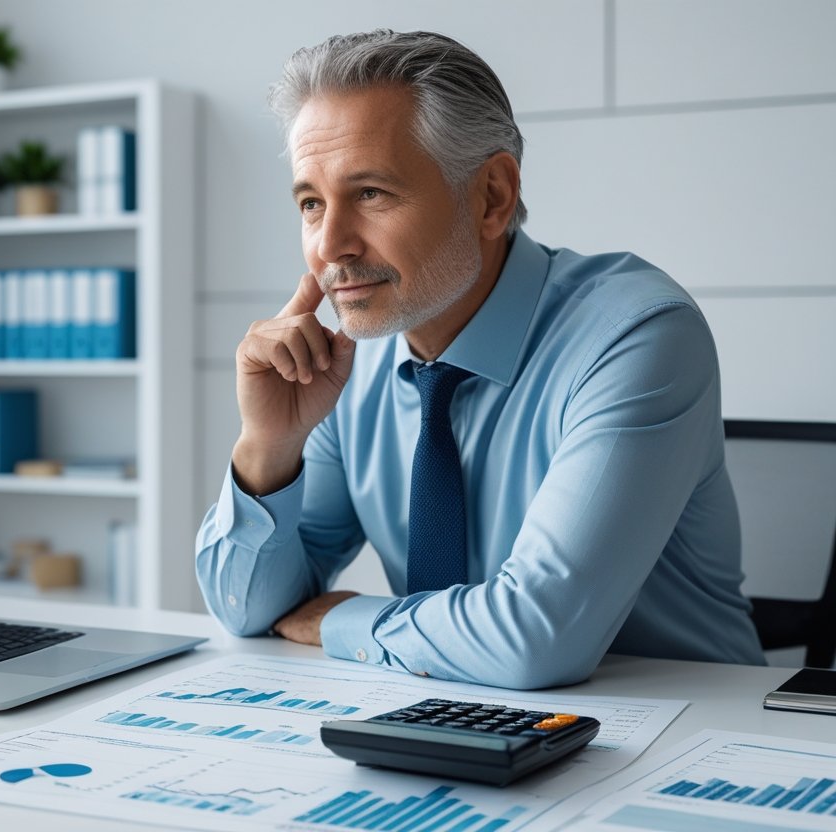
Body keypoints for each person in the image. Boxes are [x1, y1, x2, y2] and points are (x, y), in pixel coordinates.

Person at [194, 29, 765, 689]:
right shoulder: (352, 364)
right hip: (452, 722)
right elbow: (246, 608)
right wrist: (268, 448)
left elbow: (535, 639)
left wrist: (341, 620)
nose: (330, 246)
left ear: (492, 196)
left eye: (372, 194)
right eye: (311, 204)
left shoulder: (636, 336)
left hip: (695, 738)